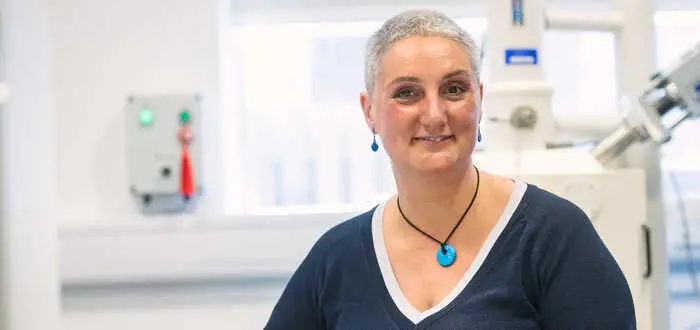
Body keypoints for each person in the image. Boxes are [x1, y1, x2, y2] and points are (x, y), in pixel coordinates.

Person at [264, 9, 636, 330]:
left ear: (479, 99)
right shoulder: (337, 259)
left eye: (454, 89)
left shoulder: (552, 238)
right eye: (407, 93)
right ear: (369, 111)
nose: (434, 115)